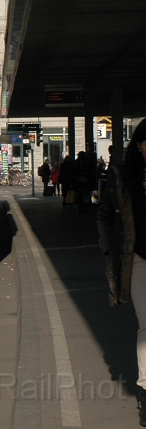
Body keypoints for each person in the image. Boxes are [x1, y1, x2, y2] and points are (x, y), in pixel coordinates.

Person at [98, 119, 146, 425]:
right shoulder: (121, 176)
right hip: (137, 259)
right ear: (140, 146)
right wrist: (109, 249)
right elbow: (105, 215)